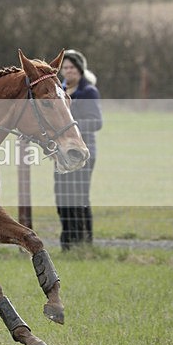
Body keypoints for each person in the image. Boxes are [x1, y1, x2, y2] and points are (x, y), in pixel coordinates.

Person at [54, 49, 103, 250]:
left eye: (72, 67)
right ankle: (67, 242)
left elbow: (96, 122)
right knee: (61, 196)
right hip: (62, 153)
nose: (68, 71)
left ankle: (84, 241)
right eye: (65, 68)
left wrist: (69, 127)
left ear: (80, 70)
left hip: (83, 152)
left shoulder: (89, 91)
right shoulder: (59, 92)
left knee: (79, 196)